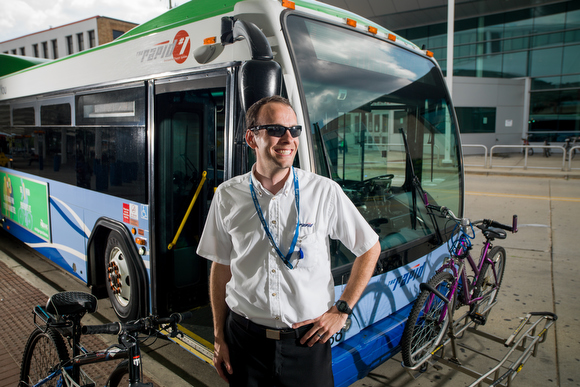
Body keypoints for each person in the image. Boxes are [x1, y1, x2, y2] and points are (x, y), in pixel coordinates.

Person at [197, 95, 380, 387]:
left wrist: (342, 310)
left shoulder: (324, 192)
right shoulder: (227, 196)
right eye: (275, 129)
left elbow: (369, 247)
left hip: (307, 344)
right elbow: (221, 266)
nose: (288, 138)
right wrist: (219, 337)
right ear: (251, 138)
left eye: (294, 130)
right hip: (245, 342)